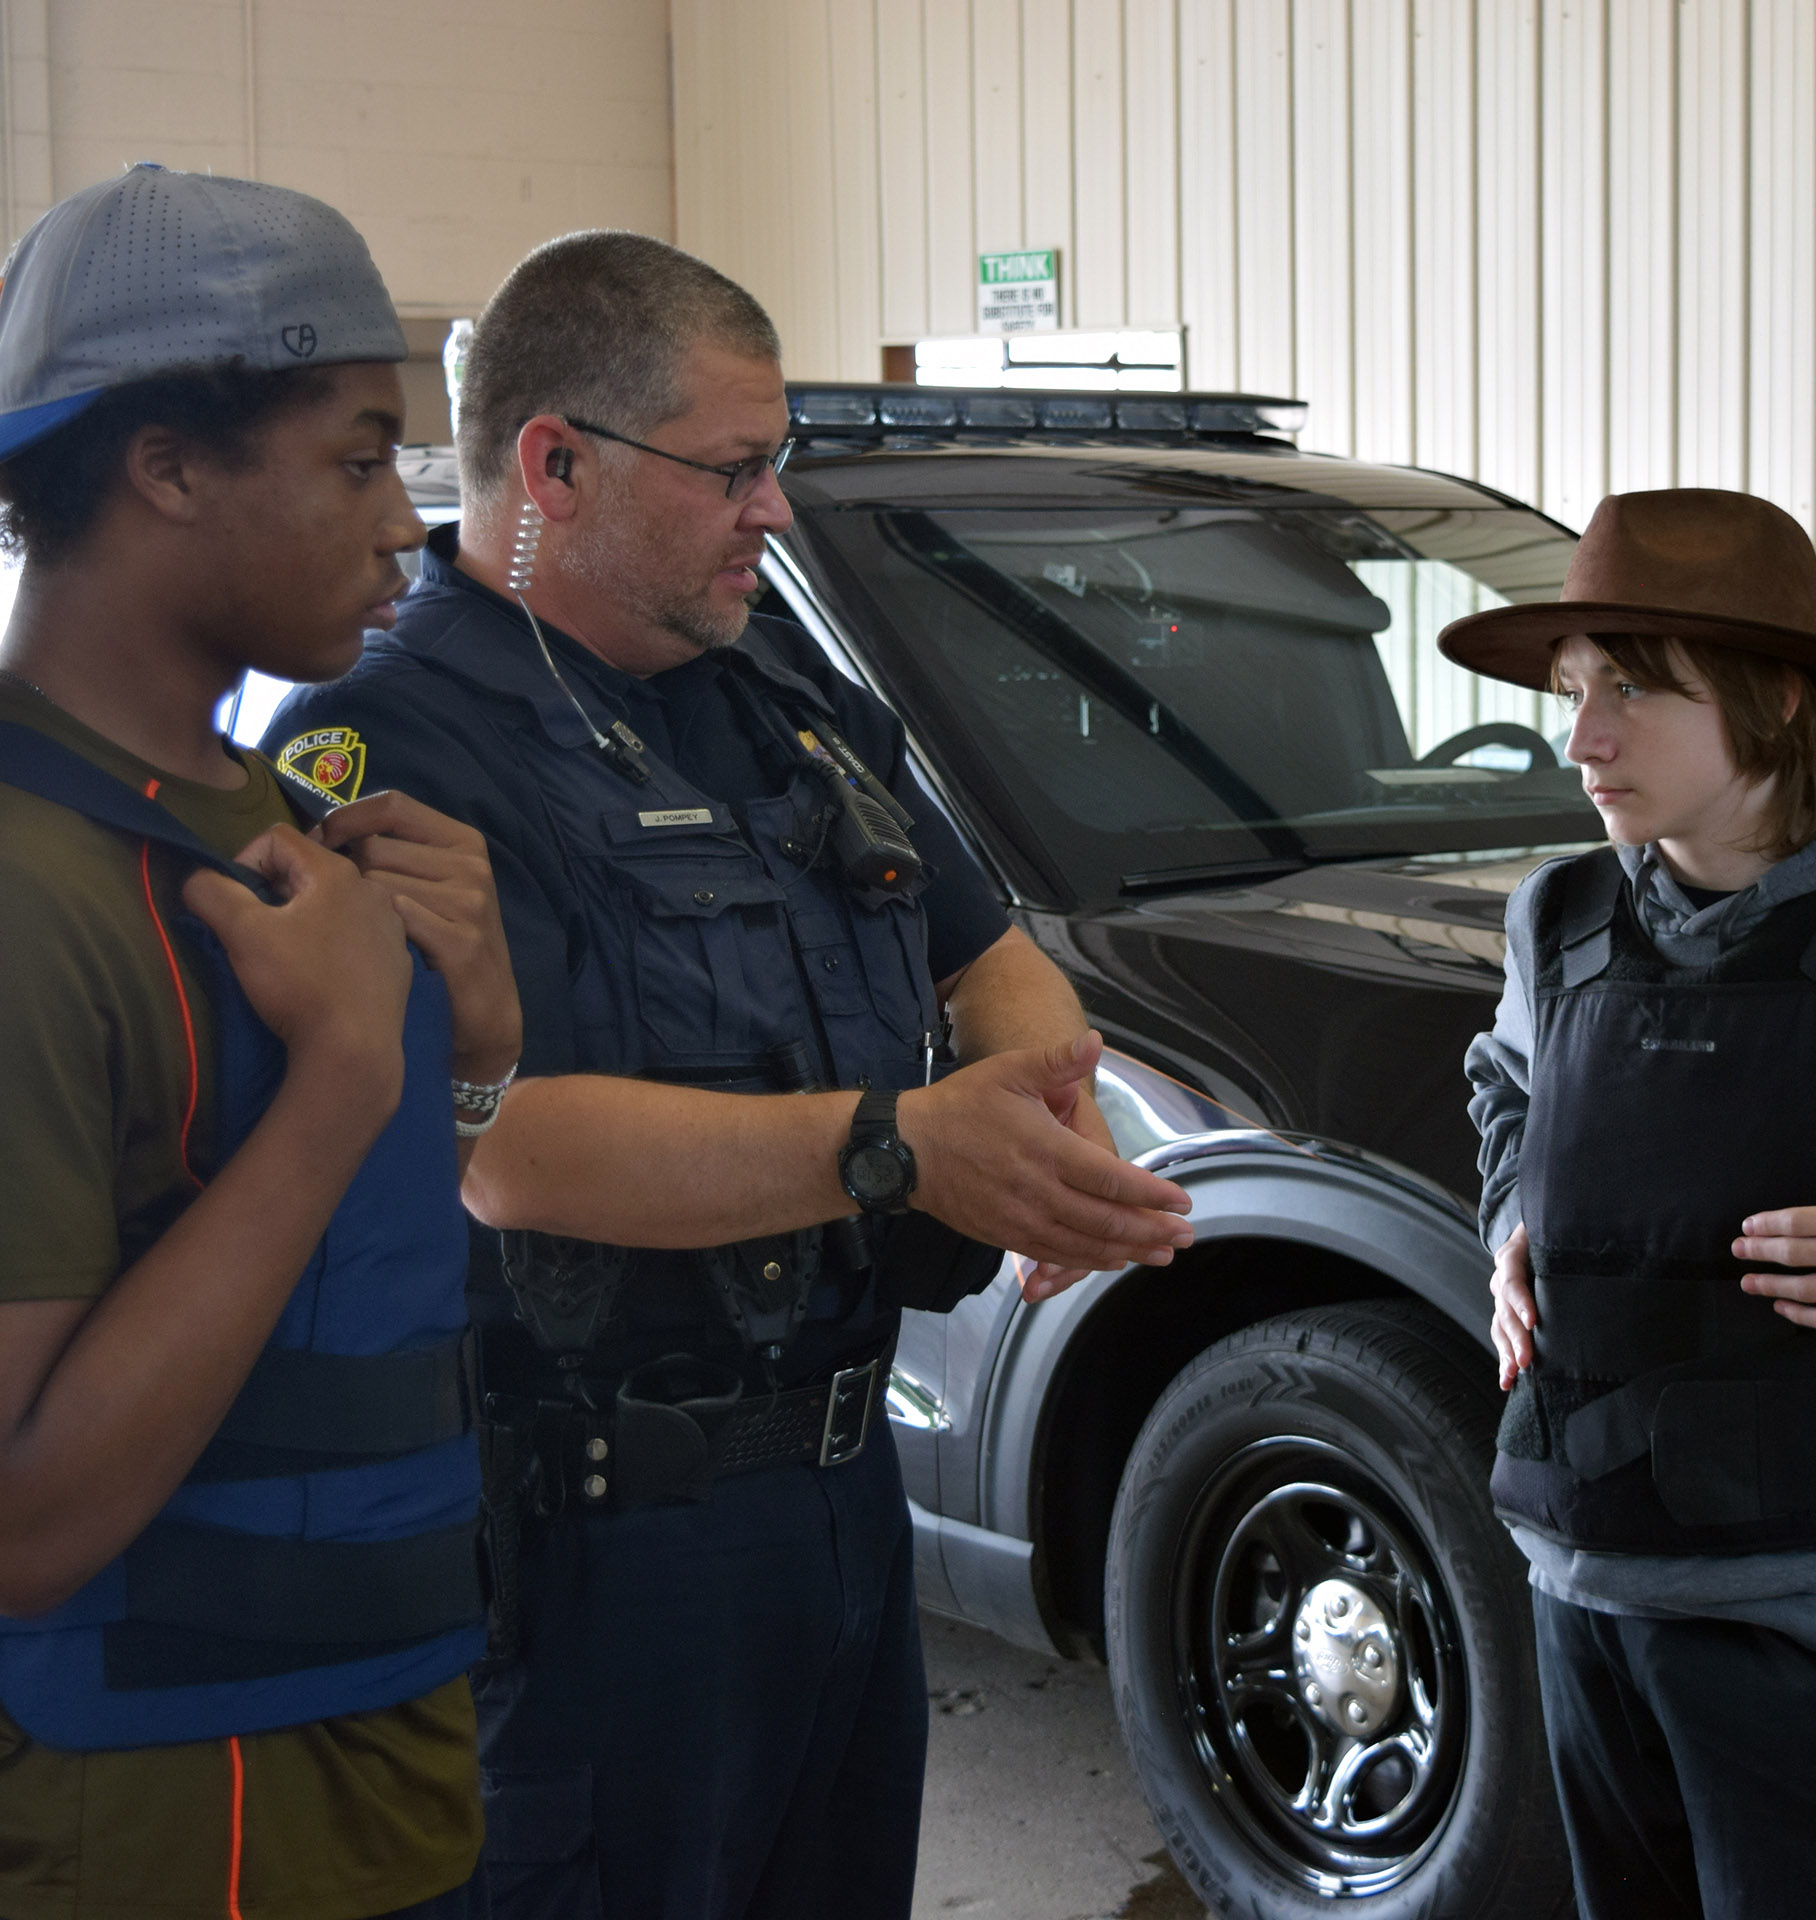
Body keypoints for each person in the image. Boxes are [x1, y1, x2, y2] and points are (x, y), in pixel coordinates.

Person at [264, 231, 1194, 1919]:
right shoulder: (390, 744)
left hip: (841, 1514)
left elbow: (975, 940)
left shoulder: (771, 682)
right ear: (555, 461)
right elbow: (501, 1150)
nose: (773, 511)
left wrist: (1038, 1110)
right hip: (600, 1554)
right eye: (734, 471)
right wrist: (901, 1150)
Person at [0, 166, 524, 1920]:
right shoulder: (28, 892)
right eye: (360, 456)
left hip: (383, 1760)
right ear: (165, 467)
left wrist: (477, 1044)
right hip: (163, 1810)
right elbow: (23, 1530)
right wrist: (347, 1085)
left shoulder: (283, 816)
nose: (407, 522)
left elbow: (352, 1260)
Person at [1445, 488, 1816, 1919]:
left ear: (1775, 698)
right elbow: (1504, 1090)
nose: (1583, 738)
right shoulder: (1560, 915)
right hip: (1581, 1581)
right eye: (1576, 688)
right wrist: (1516, 1219)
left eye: (1635, 690)